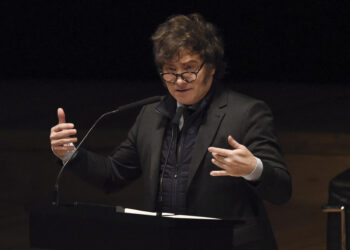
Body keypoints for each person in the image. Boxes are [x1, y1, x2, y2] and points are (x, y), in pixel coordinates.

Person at [50, 13, 291, 250]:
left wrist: (253, 169)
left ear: (212, 68)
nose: (179, 80)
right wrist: (69, 153)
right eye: (170, 70)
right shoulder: (150, 115)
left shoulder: (247, 113)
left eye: (189, 69)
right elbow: (113, 175)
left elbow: (282, 190)